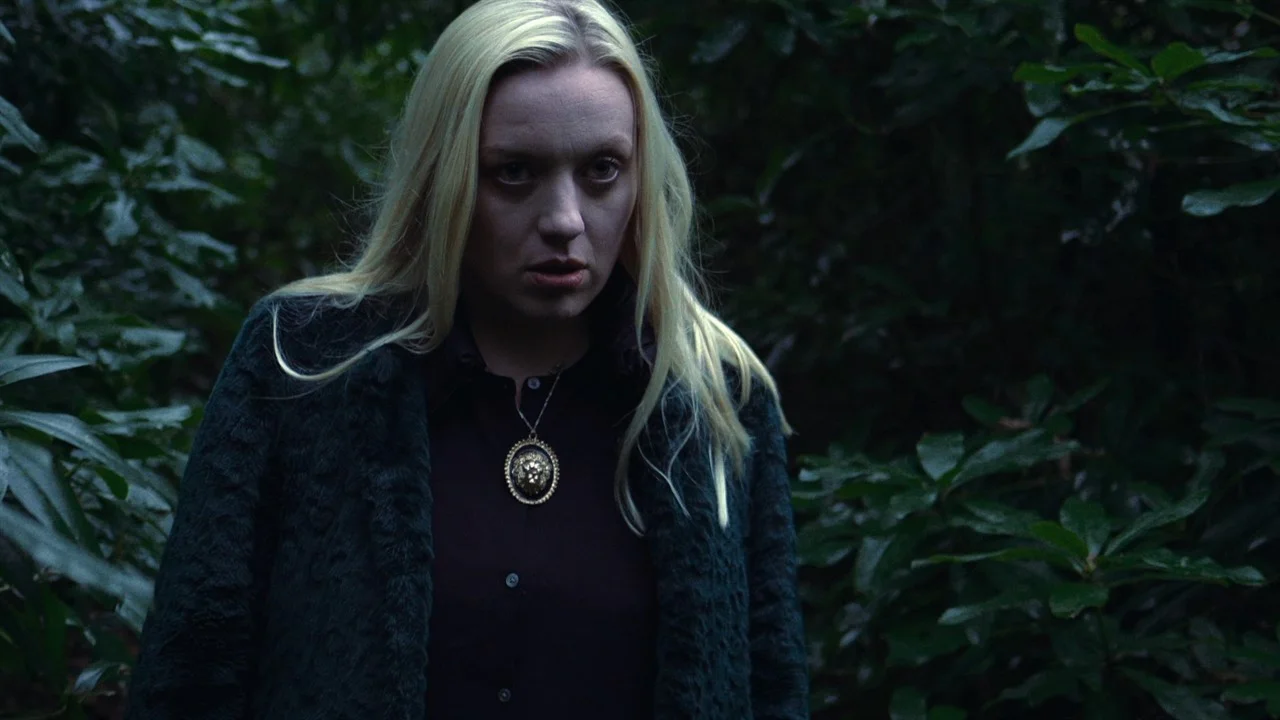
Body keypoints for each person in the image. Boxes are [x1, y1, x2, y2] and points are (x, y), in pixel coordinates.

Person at [122, 0, 809, 717]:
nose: (565, 220)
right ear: (443, 175)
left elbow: (772, 684)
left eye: (603, 170)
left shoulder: (714, 396)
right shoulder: (302, 363)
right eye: (514, 172)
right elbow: (190, 672)